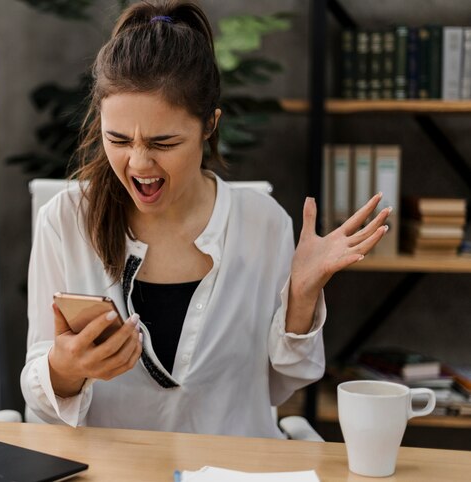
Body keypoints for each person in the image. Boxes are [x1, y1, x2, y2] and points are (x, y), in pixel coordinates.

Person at [20, 0, 389, 438]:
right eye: (117, 138)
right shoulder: (64, 221)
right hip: (114, 469)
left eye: (164, 142)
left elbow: (280, 384)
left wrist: (302, 298)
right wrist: (65, 368)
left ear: (210, 125)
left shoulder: (262, 223)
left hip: (231, 468)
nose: (139, 163)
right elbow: (40, 400)